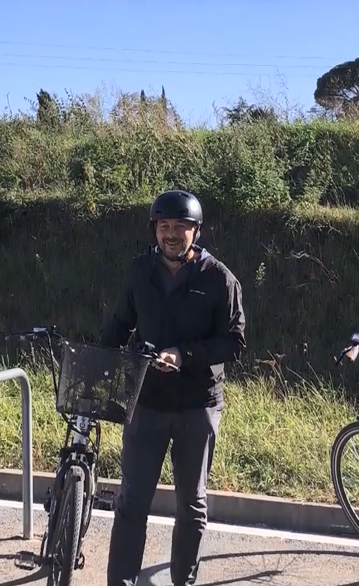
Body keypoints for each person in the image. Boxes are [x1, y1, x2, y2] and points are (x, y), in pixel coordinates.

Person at [100, 189, 246, 586]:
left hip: (197, 406)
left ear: (196, 231)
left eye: (180, 227)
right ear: (155, 230)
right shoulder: (140, 271)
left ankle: (183, 580)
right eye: (163, 226)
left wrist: (185, 356)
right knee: (131, 502)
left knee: (191, 505)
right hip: (146, 402)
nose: (170, 234)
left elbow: (234, 342)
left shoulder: (219, 279)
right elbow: (120, 324)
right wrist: (99, 365)